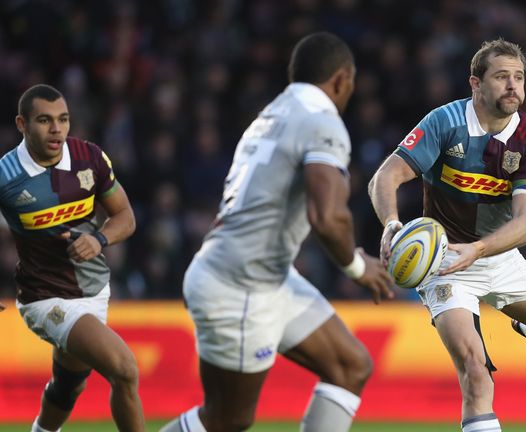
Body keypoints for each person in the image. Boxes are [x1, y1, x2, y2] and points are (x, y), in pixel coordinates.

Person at [161, 32, 393, 432]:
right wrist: (358, 268)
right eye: (350, 85)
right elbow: (328, 217)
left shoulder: (272, 113)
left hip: (263, 274)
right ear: (341, 79)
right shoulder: (323, 122)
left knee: (350, 365)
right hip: (241, 284)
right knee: (227, 419)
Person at [369, 38, 526, 432]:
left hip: (498, 257)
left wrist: (481, 248)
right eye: (502, 77)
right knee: (475, 372)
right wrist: (390, 223)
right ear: (475, 83)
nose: (513, 86)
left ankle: (521, 323)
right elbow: (386, 175)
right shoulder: (444, 122)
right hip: (446, 262)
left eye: (519, 77)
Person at [0, 84, 143, 431]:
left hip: (94, 289)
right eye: (45, 121)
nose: (56, 130)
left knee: (68, 387)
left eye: (63, 120)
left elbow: (125, 215)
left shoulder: (88, 157)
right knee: (124, 369)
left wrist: (100, 238)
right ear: (22, 124)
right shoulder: (6, 176)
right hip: (44, 297)